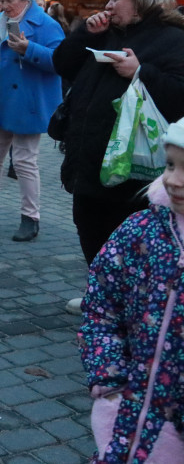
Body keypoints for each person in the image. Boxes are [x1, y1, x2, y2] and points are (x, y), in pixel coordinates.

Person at [52, 0, 184, 266]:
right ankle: (101, 294)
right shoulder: (103, 33)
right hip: (86, 162)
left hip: (130, 172)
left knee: (127, 248)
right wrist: (85, 32)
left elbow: (179, 97)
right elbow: (61, 65)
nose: (107, 5)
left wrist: (140, 72)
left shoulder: (173, 39)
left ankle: (121, 305)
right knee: (89, 234)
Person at [78, 118, 184, 464]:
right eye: (170, 164)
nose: (173, 179)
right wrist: (109, 377)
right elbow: (100, 306)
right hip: (127, 416)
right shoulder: (140, 231)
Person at [0, 0, 64, 241]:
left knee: (24, 161)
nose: (4, 5)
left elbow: (62, 61)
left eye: (9, 0)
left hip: (27, 102)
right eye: (2, 0)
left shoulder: (47, 24)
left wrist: (29, 49)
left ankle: (30, 217)